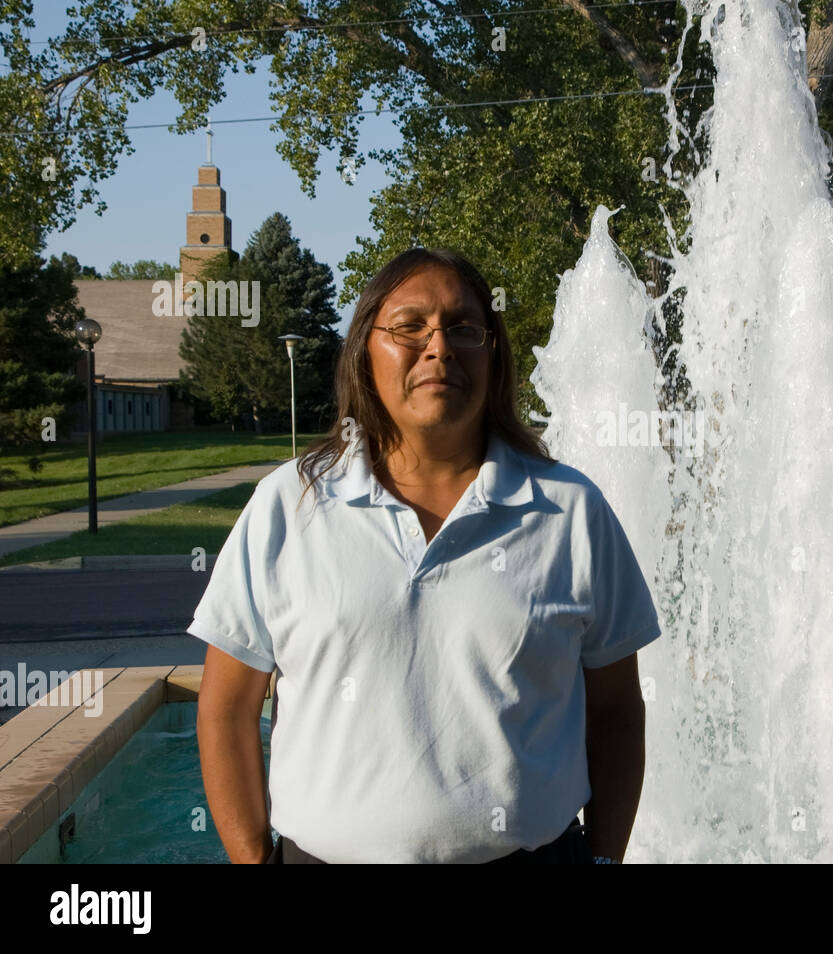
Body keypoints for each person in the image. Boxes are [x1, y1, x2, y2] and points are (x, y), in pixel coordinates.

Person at [190, 247, 661, 863]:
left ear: (492, 352)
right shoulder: (290, 505)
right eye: (410, 326)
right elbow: (227, 706)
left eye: (464, 328)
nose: (438, 347)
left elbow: (618, 711)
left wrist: (602, 860)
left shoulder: (570, 512)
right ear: (365, 348)